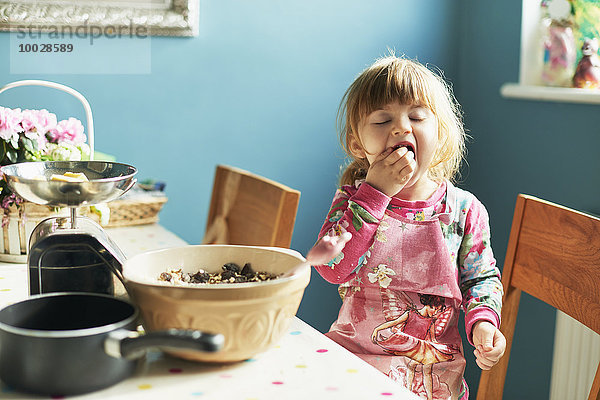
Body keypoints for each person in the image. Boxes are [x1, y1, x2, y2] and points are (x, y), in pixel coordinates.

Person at [307, 55, 506, 400]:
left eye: (416, 116)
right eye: (383, 120)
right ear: (358, 144)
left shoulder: (464, 210)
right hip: (353, 364)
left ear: (439, 134)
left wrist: (484, 322)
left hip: (432, 377)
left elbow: (480, 278)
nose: (401, 128)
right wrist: (375, 195)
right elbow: (330, 267)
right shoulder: (353, 202)